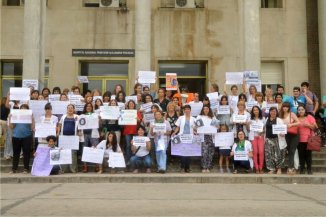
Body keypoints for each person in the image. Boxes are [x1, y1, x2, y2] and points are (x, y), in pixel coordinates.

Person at [9, 104, 35, 174]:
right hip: (16, 136)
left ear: (28, 110)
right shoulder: (16, 116)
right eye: (22, 108)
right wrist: (10, 119)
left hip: (27, 137)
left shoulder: (29, 117)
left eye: (25, 108)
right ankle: (14, 169)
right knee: (16, 153)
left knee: (26, 153)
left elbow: (32, 128)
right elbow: (11, 127)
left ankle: (26, 169)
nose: (23, 109)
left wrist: (32, 118)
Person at [172, 105, 196, 173]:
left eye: (188, 109)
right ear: (184, 110)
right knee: (182, 153)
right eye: (185, 109)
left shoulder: (194, 119)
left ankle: (187, 168)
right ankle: (182, 167)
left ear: (190, 110)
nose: (187, 110)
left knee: (188, 153)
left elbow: (195, 128)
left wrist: (195, 131)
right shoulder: (180, 118)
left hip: (190, 137)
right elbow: (177, 127)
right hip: (182, 137)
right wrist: (174, 132)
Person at [196, 105, 219, 173]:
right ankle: (204, 167)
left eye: (207, 109)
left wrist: (217, 126)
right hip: (203, 136)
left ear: (209, 110)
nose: (206, 110)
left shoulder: (213, 117)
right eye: (204, 109)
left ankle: (208, 166)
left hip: (211, 137)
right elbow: (196, 126)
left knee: (210, 152)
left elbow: (217, 127)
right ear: (202, 110)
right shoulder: (199, 117)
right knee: (204, 152)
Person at [264, 107, 287, 174]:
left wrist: (283, 133)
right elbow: (265, 129)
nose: (273, 112)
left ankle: (279, 169)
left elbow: (283, 129)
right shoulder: (267, 119)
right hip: (268, 139)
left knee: (279, 154)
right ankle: (272, 169)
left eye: (274, 111)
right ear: (269, 112)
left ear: (276, 112)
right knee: (269, 155)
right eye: (271, 111)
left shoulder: (279, 120)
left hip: (277, 139)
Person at [279, 102, 300, 175]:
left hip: (294, 135)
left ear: (288, 108)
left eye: (286, 107)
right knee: (288, 150)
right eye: (284, 107)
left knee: (292, 150)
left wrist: (291, 124)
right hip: (286, 135)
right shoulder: (280, 115)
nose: (285, 108)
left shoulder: (292, 114)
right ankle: (292, 166)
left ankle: (290, 168)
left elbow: (298, 122)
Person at [57, 104, 79, 173]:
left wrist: (79, 132)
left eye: (71, 108)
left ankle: (73, 169)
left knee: (73, 153)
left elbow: (80, 126)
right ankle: (63, 169)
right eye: (69, 108)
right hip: (64, 137)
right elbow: (59, 125)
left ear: (74, 109)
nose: (70, 109)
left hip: (73, 137)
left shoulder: (77, 117)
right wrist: (58, 132)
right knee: (63, 152)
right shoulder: (63, 117)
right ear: (67, 109)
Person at [80, 102, 100, 173]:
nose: (88, 107)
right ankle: (85, 166)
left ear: (92, 108)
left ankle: (97, 165)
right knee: (84, 150)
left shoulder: (95, 115)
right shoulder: (82, 115)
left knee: (95, 149)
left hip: (93, 134)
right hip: (84, 134)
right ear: (85, 108)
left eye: (90, 106)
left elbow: (99, 124)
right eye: (87, 106)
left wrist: (99, 119)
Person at [297, 105, 317, 174]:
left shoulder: (309, 117)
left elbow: (315, 128)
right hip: (299, 140)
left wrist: (308, 125)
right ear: (297, 111)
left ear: (305, 110)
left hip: (309, 139)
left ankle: (309, 169)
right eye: (299, 110)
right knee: (301, 155)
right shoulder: (296, 118)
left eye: (302, 109)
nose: (301, 111)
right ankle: (302, 169)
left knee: (308, 155)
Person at [249, 106, 265, 174]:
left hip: (260, 137)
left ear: (259, 111)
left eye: (257, 110)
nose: (255, 111)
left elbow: (264, 129)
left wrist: (262, 132)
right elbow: (248, 129)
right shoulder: (250, 119)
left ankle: (261, 167)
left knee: (261, 152)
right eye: (254, 110)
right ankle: (256, 168)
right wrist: (247, 124)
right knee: (255, 152)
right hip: (253, 137)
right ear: (252, 111)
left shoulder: (263, 118)